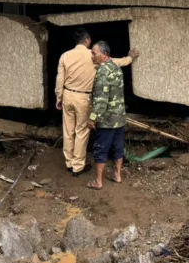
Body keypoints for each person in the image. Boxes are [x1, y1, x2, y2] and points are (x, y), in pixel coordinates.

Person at [55, 28, 138, 177]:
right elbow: (114, 62)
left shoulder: (65, 56)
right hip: (83, 98)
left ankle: (69, 163)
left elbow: (60, 78)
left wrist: (59, 97)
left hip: (68, 95)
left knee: (68, 131)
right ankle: (77, 166)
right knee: (81, 132)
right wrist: (129, 58)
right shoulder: (94, 56)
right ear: (87, 40)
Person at [87, 41, 127, 190]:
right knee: (118, 146)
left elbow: (101, 99)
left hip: (107, 119)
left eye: (94, 53)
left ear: (104, 55)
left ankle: (98, 181)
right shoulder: (116, 67)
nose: (91, 56)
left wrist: (92, 118)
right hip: (119, 117)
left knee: (100, 148)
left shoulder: (103, 72)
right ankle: (117, 174)